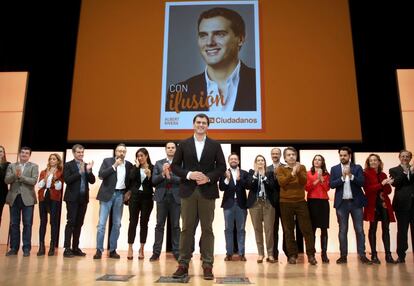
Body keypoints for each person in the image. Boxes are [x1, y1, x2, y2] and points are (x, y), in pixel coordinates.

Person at [166, 7, 256, 112]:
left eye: (219, 34)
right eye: (203, 35)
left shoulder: (259, 83)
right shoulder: (178, 94)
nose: (209, 42)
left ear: (240, 39)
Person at [171, 113, 226, 280]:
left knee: (207, 229)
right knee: (186, 229)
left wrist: (208, 177)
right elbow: (174, 167)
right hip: (188, 190)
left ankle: (207, 265)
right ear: (193, 124)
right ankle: (183, 264)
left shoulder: (215, 145)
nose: (201, 125)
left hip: (207, 190)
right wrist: (189, 174)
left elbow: (222, 166)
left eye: (204, 123)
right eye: (198, 122)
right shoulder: (183, 144)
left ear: (207, 126)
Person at [330, 146, 371, 264]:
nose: (342, 157)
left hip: (356, 203)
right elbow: (332, 184)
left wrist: (351, 176)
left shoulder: (357, 168)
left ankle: (362, 255)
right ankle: (343, 255)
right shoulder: (335, 169)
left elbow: (362, 182)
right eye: (341, 155)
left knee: (359, 229)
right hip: (341, 204)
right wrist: (342, 178)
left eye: (345, 155)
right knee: (343, 230)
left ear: (349, 156)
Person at [276, 147, 317, 265]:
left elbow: (303, 182)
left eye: (293, 154)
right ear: (284, 158)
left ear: (296, 156)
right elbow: (282, 183)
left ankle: (310, 255)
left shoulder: (302, 167)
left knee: (307, 229)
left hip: (300, 201)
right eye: (288, 155)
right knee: (288, 230)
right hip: (285, 202)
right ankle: (292, 255)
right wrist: (292, 173)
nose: (291, 156)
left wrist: (297, 171)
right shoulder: (280, 169)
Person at [93, 143, 132, 259]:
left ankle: (113, 250)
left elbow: (131, 180)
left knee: (117, 224)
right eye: (119, 151)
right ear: (115, 152)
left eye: (123, 151)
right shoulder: (107, 161)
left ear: (125, 153)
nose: (121, 153)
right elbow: (101, 175)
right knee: (101, 224)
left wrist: (128, 192)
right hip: (107, 195)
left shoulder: (129, 165)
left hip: (120, 195)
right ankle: (99, 250)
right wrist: (114, 166)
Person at [150, 142, 181, 261]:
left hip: (176, 197)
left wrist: (170, 175)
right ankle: (156, 252)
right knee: (159, 225)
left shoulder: (180, 163)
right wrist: (163, 173)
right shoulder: (158, 163)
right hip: (161, 197)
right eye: (168, 148)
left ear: (176, 149)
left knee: (176, 225)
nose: (171, 149)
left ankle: (177, 252)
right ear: (165, 150)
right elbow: (153, 181)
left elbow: (182, 179)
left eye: (173, 148)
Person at [5, 147, 39, 257]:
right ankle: (14, 248)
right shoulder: (12, 166)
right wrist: (15, 175)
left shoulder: (34, 166)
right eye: (22, 152)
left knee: (27, 224)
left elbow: (33, 181)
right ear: (20, 154)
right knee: (14, 224)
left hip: (28, 198)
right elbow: (7, 180)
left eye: (26, 153)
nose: (24, 154)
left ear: (29, 155)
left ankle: (26, 249)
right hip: (14, 198)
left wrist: (21, 177)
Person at [363, 154, 397, 264]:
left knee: (386, 229)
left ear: (379, 162)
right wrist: (380, 184)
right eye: (371, 160)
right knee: (372, 229)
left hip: (384, 205)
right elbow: (367, 190)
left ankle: (388, 255)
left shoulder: (383, 174)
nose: (373, 162)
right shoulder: (365, 174)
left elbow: (388, 191)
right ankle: (374, 255)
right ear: (368, 163)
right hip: (372, 205)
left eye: (375, 160)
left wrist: (388, 184)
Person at [63, 144, 95, 258]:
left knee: (79, 224)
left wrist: (89, 171)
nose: (81, 154)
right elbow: (67, 180)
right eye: (78, 152)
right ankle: (67, 248)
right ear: (73, 153)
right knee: (71, 222)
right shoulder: (68, 165)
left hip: (83, 198)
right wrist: (81, 172)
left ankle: (75, 247)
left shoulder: (86, 165)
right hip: (72, 198)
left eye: (82, 152)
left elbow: (92, 181)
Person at [219, 152, 249, 261]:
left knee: (241, 229)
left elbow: (248, 185)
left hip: (241, 204)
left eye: (235, 159)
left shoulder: (244, 173)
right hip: (228, 204)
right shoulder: (224, 173)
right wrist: (227, 179)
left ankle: (241, 253)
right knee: (228, 229)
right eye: (231, 159)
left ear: (238, 161)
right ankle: (229, 253)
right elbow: (221, 188)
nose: (233, 161)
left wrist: (240, 179)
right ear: (229, 161)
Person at [247, 155, 276, 263]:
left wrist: (264, 177)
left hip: (267, 203)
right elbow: (249, 185)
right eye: (258, 160)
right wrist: (255, 174)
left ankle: (270, 254)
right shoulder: (251, 173)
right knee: (257, 229)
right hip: (255, 204)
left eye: (262, 160)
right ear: (255, 163)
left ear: (265, 162)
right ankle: (260, 254)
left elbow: (272, 186)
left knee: (269, 230)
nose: (260, 162)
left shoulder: (270, 173)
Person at [126, 148, 154, 260]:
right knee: (133, 222)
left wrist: (149, 175)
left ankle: (142, 248)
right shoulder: (134, 167)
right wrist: (136, 167)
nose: (140, 158)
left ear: (146, 156)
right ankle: (130, 247)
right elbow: (130, 180)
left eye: (142, 155)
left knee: (144, 223)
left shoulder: (152, 167)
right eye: (138, 156)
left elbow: (154, 183)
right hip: (135, 198)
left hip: (147, 198)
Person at [389, 150, 414, 263]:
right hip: (402, 205)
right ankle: (401, 256)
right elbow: (395, 183)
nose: (405, 158)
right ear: (399, 157)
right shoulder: (394, 170)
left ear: (410, 158)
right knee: (402, 231)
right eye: (403, 156)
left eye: (407, 156)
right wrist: (406, 172)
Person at [36, 153, 64, 256]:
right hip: (43, 197)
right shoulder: (43, 172)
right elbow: (39, 185)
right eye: (50, 159)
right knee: (43, 221)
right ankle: (41, 247)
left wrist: (54, 178)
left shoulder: (60, 172)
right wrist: (45, 178)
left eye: (54, 159)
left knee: (53, 222)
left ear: (57, 161)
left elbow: (58, 187)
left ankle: (52, 247)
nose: (52, 160)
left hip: (54, 198)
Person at [305, 154, 331, 263]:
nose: (317, 161)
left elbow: (327, 188)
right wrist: (316, 180)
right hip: (312, 202)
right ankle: (312, 254)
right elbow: (307, 188)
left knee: (324, 229)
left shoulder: (326, 174)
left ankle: (324, 253)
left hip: (323, 202)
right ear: (313, 161)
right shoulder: (308, 173)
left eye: (319, 160)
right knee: (312, 229)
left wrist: (321, 179)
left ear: (322, 162)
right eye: (315, 159)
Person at [0, 146, 10, 228]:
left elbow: (5, 178)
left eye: (1, 151)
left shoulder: (7, 165)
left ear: (3, 153)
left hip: (1, 193)